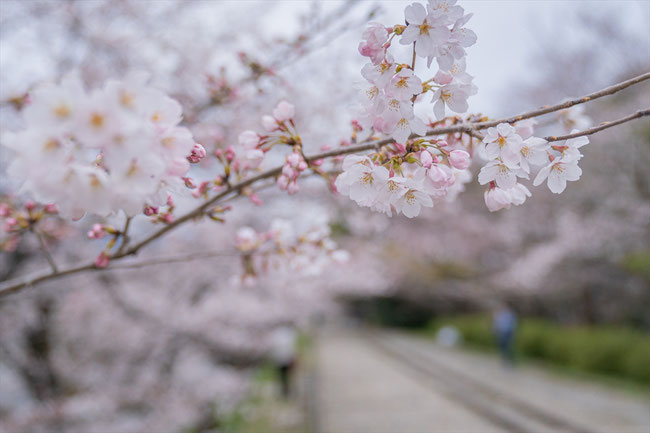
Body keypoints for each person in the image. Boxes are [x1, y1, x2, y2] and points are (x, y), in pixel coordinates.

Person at [269, 324, 297, 398]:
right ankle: (286, 391)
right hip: (285, 358)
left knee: (282, 376)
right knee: (286, 376)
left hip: (281, 358)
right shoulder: (288, 334)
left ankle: (284, 391)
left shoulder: (277, 334)